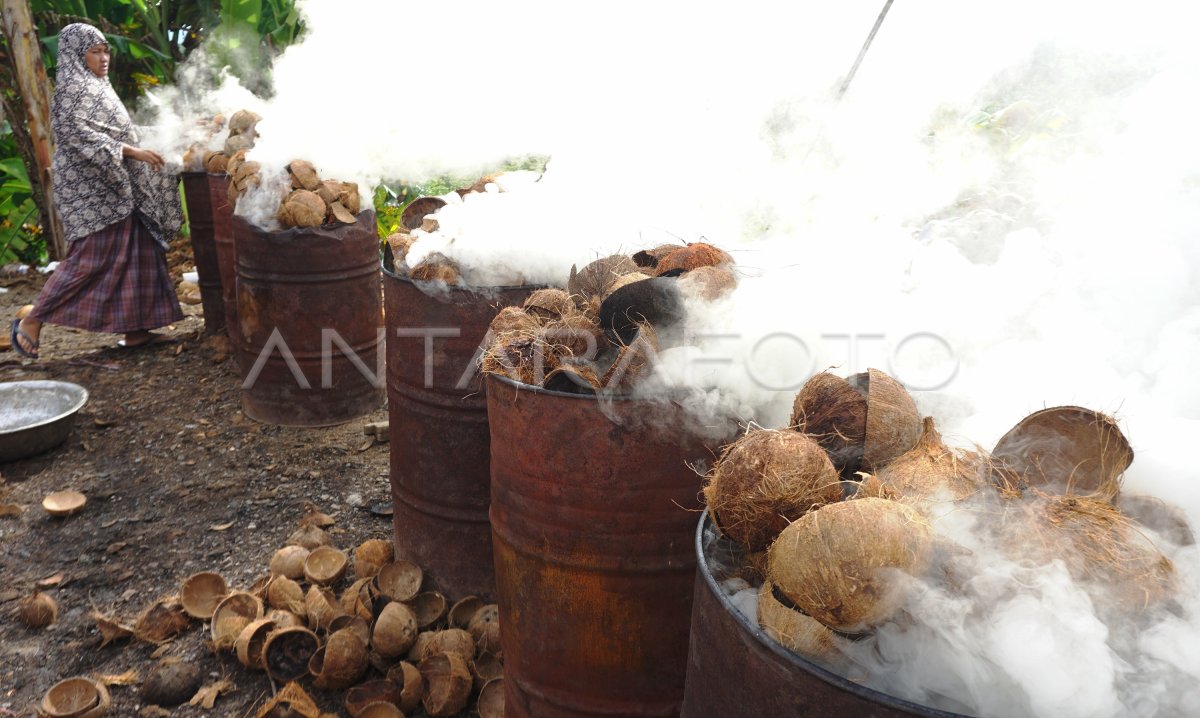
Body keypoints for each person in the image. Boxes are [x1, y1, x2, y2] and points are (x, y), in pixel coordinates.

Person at [10, 22, 183, 359]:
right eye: (95, 51)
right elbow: (78, 136)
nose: (104, 57)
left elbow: (125, 131)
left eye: (106, 50)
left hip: (118, 187)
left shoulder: (100, 87)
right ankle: (32, 320)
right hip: (90, 192)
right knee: (90, 258)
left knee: (138, 252)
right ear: (77, 54)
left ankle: (136, 331)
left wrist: (181, 129)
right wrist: (132, 152)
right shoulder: (71, 89)